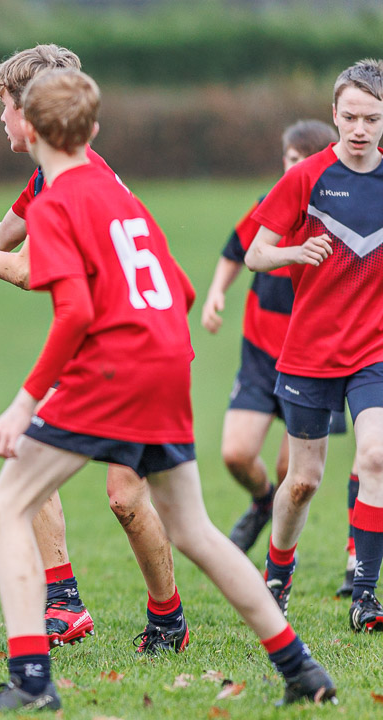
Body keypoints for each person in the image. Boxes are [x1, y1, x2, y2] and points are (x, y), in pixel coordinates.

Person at [0, 69, 335, 711]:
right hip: (166, 359)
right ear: (94, 128)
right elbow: (181, 290)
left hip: (116, 369)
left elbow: (74, 312)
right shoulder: (120, 193)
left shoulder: (56, 202)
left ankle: (31, 684)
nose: (5, 122)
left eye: (9, 115)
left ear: (28, 126)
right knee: (194, 530)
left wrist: (25, 401)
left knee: (4, 507)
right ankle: (303, 671)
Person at [0, 44, 188, 652]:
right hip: (136, 350)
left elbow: (24, 268)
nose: (0, 120)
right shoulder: (49, 175)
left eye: (5, 108)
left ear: (32, 112)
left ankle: (107, 616)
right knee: (115, 491)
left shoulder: (74, 185)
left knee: (104, 488)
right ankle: (93, 607)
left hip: (120, 355)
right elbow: (6, 234)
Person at [246, 59, 383, 632]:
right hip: (309, 352)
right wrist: (292, 255)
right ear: (334, 115)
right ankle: (278, 574)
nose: (359, 128)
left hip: (373, 351)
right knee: (301, 483)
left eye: (371, 118)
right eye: (349, 116)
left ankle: (366, 595)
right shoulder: (306, 178)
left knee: (376, 455)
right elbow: (256, 252)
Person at [199, 121, 359, 595]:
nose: (288, 170)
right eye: (285, 160)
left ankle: (285, 560)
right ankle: (261, 502)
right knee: (235, 453)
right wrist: (215, 294)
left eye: (297, 161)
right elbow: (236, 250)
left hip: (314, 355)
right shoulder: (272, 204)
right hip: (259, 356)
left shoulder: (338, 211)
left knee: (300, 474)